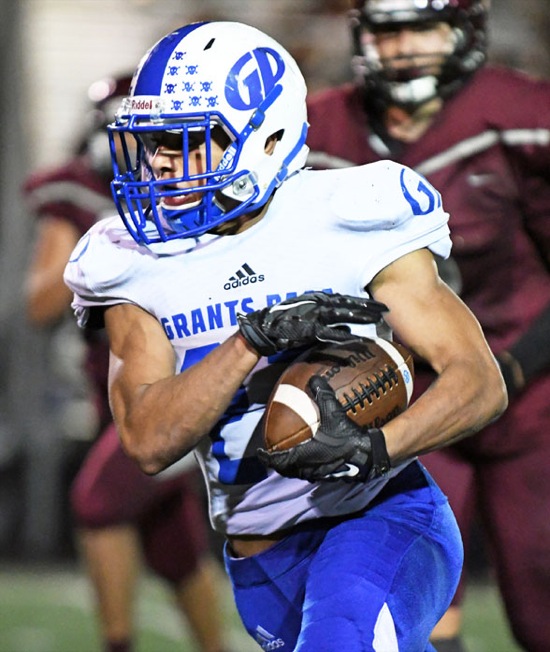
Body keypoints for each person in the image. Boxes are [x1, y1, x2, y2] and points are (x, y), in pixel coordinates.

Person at [63, 21, 506, 652]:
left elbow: (478, 380)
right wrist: (250, 341)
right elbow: (149, 441)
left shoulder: (350, 213)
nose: (160, 161)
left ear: (267, 139)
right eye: (156, 140)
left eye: (189, 140)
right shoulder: (130, 259)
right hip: (260, 558)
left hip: (378, 516)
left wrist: (374, 449)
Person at [305, 2, 550, 651]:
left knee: (540, 601)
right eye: (388, 31)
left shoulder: (521, 114)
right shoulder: (321, 127)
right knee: (415, 602)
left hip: (529, 395)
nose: (404, 46)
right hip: (401, 394)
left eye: (422, 28)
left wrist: (518, 362)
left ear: (462, 32)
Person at [24, 74, 233, 652]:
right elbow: (40, 303)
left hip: (188, 385)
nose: (159, 160)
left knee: (98, 499)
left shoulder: (213, 196)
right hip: (117, 393)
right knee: (172, 546)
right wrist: (100, 249)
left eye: (170, 142)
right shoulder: (83, 200)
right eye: (146, 142)